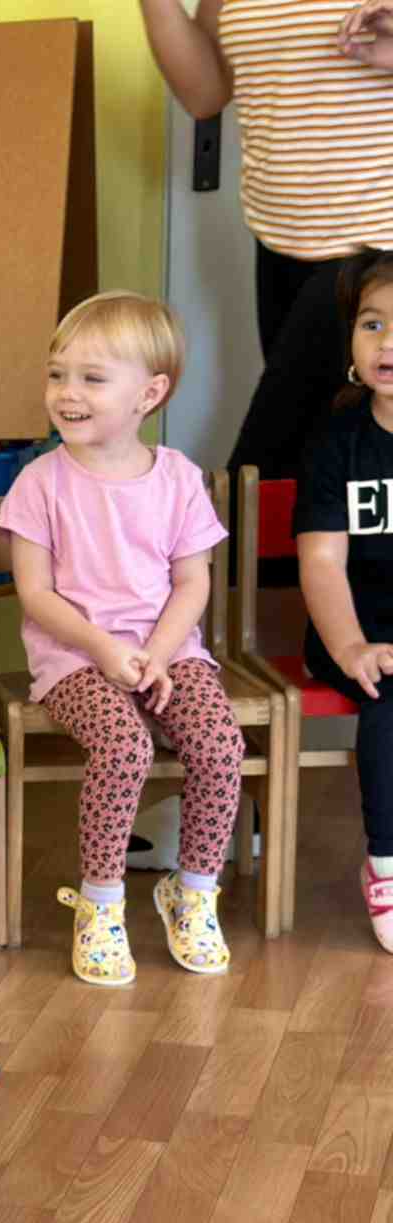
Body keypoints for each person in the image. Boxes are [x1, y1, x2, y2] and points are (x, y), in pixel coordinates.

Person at [0, 292, 245, 987]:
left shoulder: (179, 478)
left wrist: (158, 655)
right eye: (57, 374)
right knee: (124, 747)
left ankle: (192, 892)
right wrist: (107, 652)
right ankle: (101, 904)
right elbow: (35, 594)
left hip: (170, 651)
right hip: (75, 657)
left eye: (92, 378)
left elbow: (192, 583)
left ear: (150, 394)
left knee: (220, 746)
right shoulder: (40, 482)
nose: (66, 393)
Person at [139, 0, 393, 481]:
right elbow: (207, 93)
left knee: (264, 470)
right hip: (281, 246)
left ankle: (209, 534)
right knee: (327, 464)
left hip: (377, 245)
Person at [296, 250, 393, 949]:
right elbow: (323, 562)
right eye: (372, 323)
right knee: (391, 694)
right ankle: (387, 864)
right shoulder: (337, 442)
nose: (387, 343)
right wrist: (351, 645)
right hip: (354, 631)